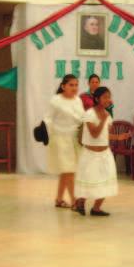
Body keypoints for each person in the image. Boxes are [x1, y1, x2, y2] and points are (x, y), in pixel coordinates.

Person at [74, 87, 119, 216]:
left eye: (109, 97)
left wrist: (119, 137)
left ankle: (96, 208)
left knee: (105, 181)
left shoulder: (107, 115)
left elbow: (105, 135)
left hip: (105, 154)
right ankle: (80, 203)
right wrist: (103, 119)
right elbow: (94, 134)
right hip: (90, 154)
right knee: (89, 180)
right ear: (97, 98)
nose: (108, 100)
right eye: (105, 97)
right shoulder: (89, 114)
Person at [43, 74, 84, 209]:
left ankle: (59, 199)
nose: (74, 87)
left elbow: (81, 118)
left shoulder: (78, 100)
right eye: (71, 85)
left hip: (74, 139)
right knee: (68, 170)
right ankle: (74, 201)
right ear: (63, 86)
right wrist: (45, 134)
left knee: (67, 171)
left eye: (76, 85)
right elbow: (48, 119)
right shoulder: (56, 100)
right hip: (60, 139)